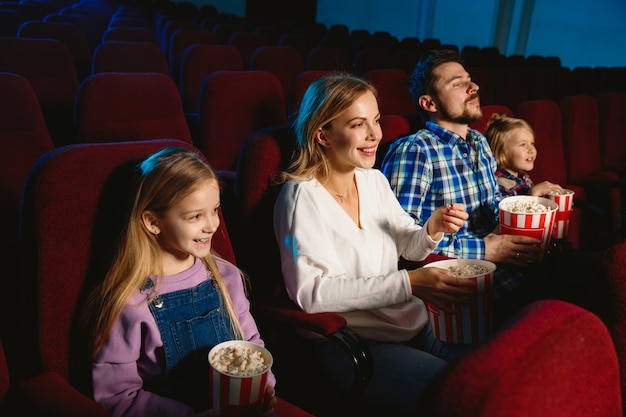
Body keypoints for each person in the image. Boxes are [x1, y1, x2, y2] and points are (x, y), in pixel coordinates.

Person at [273, 73, 476, 415]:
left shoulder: (374, 180)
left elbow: (410, 248)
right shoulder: (299, 197)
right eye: (358, 124)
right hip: (353, 342)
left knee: (490, 371)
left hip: (410, 321)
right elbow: (311, 296)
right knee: (459, 395)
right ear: (322, 133)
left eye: (376, 120)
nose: (375, 135)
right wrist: (408, 282)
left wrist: (431, 228)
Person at [82, 148, 277, 417]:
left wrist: (262, 388)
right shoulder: (130, 300)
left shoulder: (225, 276)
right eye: (195, 216)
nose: (212, 225)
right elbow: (115, 397)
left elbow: (251, 344)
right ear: (153, 222)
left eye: (215, 210)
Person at [379, 49, 546, 324]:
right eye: (457, 83)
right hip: (467, 291)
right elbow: (398, 242)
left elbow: (492, 209)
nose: (474, 87)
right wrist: (485, 249)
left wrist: (528, 208)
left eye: (470, 80)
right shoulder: (414, 151)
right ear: (429, 103)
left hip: (510, 270)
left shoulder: (480, 141)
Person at [485, 113, 564, 198]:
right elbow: (510, 210)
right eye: (522, 144)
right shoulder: (498, 184)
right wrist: (533, 194)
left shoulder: (524, 177)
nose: (531, 150)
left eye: (532, 143)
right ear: (502, 154)